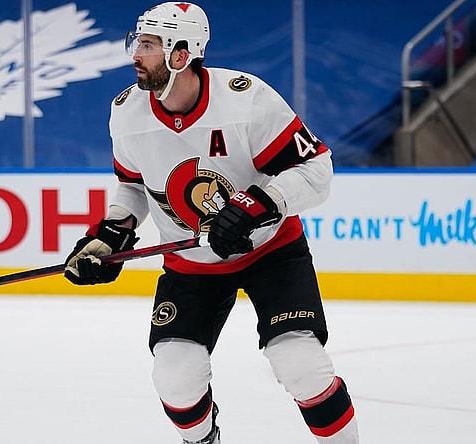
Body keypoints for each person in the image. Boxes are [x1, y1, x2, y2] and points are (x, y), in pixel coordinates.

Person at [63, 3, 359, 443]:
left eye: (147, 45)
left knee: (301, 365)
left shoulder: (246, 99)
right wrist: (109, 238)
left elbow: (317, 172)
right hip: (191, 266)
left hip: (271, 252)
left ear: (180, 54)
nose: (135, 55)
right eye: (137, 43)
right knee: (175, 378)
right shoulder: (127, 111)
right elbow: (131, 187)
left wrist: (256, 204)